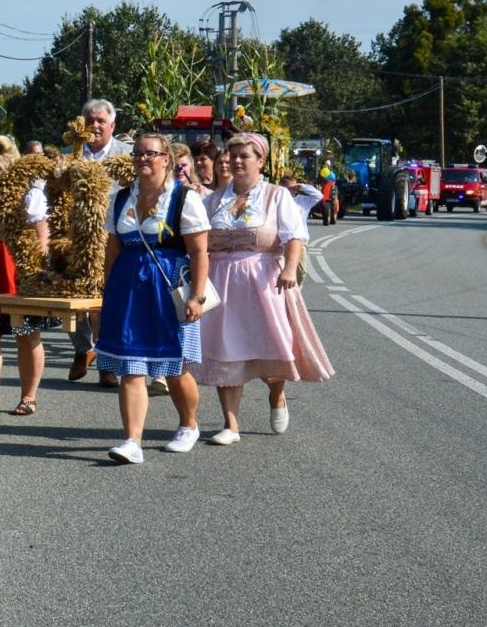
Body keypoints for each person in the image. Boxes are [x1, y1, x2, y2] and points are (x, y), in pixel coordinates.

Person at [196, 134, 336, 443]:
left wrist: (289, 269)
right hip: (221, 279)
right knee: (225, 349)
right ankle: (230, 425)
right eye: (232, 156)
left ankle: (276, 396)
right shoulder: (213, 200)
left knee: (271, 346)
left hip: (263, 280)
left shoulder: (276, 196)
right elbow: (198, 240)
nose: (236, 161)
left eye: (244, 156)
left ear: (260, 161)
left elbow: (294, 236)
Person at [96, 133, 210, 464]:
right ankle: (132, 441)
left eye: (151, 154)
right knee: (132, 365)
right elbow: (112, 248)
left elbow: (199, 251)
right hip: (128, 287)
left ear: (166, 160)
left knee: (174, 366)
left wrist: (197, 297)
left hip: (168, 284)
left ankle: (189, 425)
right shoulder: (120, 199)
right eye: (138, 154)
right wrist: (107, 290)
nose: (143, 159)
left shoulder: (183, 199)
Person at [0, 135, 59, 419]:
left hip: (14, 266)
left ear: (10, 166)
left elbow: (42, 233)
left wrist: (35, 270)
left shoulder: (29, 190)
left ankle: (28, 396)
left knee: (26, 333)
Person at [70, 98, 132, 387]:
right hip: (76, 238)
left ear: (112, 125)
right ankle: (84, 348)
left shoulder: (128, 156)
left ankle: (106, 363)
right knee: (73, 300)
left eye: (100, 121)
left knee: (105, 302)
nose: (95, 126)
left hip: (113, 238)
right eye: (90, 120)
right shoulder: (71, 154)